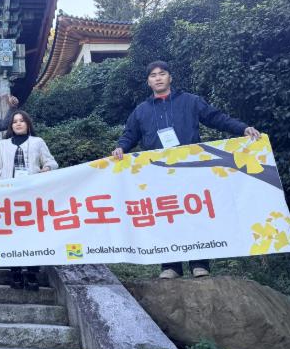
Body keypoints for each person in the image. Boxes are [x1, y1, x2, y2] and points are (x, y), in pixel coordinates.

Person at [112, 60, 261, 279]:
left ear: (170, 77)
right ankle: (170, 266)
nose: (158, 78)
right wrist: (121, 147)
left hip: (190, 170)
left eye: (162, 73)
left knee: (195, 214)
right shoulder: (141, 110)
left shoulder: (190, 101)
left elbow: (216, 118)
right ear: (148, 82)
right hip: (158, 173)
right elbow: (130, 134)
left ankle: (199, 264)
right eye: (153, 75)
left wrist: (242, 128)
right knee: (166, 217)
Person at [0, 110, 59, 290]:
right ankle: (15, 271)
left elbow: (52, 162)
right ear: (11, 126)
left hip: (31, 196)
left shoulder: (38, 142)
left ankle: (32, 271)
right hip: (9, 195)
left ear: (28, 124)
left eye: (22, 121)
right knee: (11, 233)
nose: (18, 123)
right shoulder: (2, 145)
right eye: (15, 121)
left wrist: (47, 168)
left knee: (32, 233)